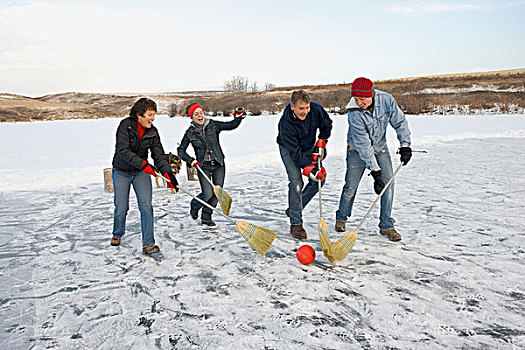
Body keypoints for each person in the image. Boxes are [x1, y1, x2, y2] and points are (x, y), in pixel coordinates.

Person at [335, 77, 412, 241]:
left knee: (388, 185)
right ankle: (341, 217)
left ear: (371, 94)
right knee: (350, 186)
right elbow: (363, 146)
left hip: (380, 148)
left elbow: (400, 122)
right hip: (356, 150)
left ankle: (386, 226)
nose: (359, 102)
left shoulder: (386, 100)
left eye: (362, 99)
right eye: (356, 99)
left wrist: (405, 145)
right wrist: (375, 172)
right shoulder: (354, 112)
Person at [111, 98, 179, 256]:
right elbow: (123, 151)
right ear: (139, 115)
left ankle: (148, 243)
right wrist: (144, 165)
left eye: (154, 115)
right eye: (150, 114)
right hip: (121, 171)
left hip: (141, 172)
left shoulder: (152, 132)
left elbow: (159, 156)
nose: (153, 118)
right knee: (121, 208)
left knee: (146, 206)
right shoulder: (125, 126)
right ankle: (117, 233)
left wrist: (169, 175)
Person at [277, 90, 333, 239]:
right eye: (301, 108)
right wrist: (309, 167)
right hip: (289, 149)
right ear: (292, 107)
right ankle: (296, 224)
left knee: (319, 180)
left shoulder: (316, 109)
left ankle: (295, 208)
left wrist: (322, 141)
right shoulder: (286, 123)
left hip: (308, 146)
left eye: (307, 107)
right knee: (296, 182)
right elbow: (295, 154)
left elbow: (327, 124)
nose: (305, 111)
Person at [177, 103, 245, 226]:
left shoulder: (212, 125)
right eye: (196, 114)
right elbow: (180, 151)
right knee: (207, 193)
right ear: (192, 117)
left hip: (218, 163)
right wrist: (191, 160)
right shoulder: (190, 133)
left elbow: (230, 125)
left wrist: (238, 117)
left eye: (201, 112)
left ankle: (206, 217)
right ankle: (195, 204)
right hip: (204, 166)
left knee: (217, 193)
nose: (200, 115)